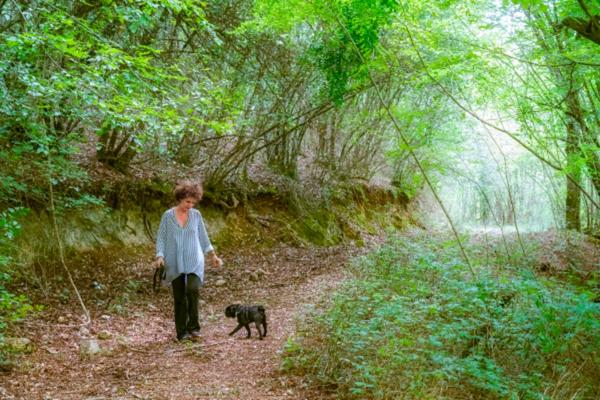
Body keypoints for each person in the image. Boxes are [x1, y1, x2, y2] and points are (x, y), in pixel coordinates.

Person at [155, 181, 223, 341]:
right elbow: (161, 238)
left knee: (192, 290)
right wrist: (159, 255)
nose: (190, 205)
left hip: (195, 260)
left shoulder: (196, 215)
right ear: (180, 198)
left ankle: (194, 327)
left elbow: (203, 237)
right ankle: (182, 332)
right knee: (179, 297)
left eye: (193, 202)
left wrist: (213, 255)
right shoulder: (168, 216)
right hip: (174, 261)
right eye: (187, 201)